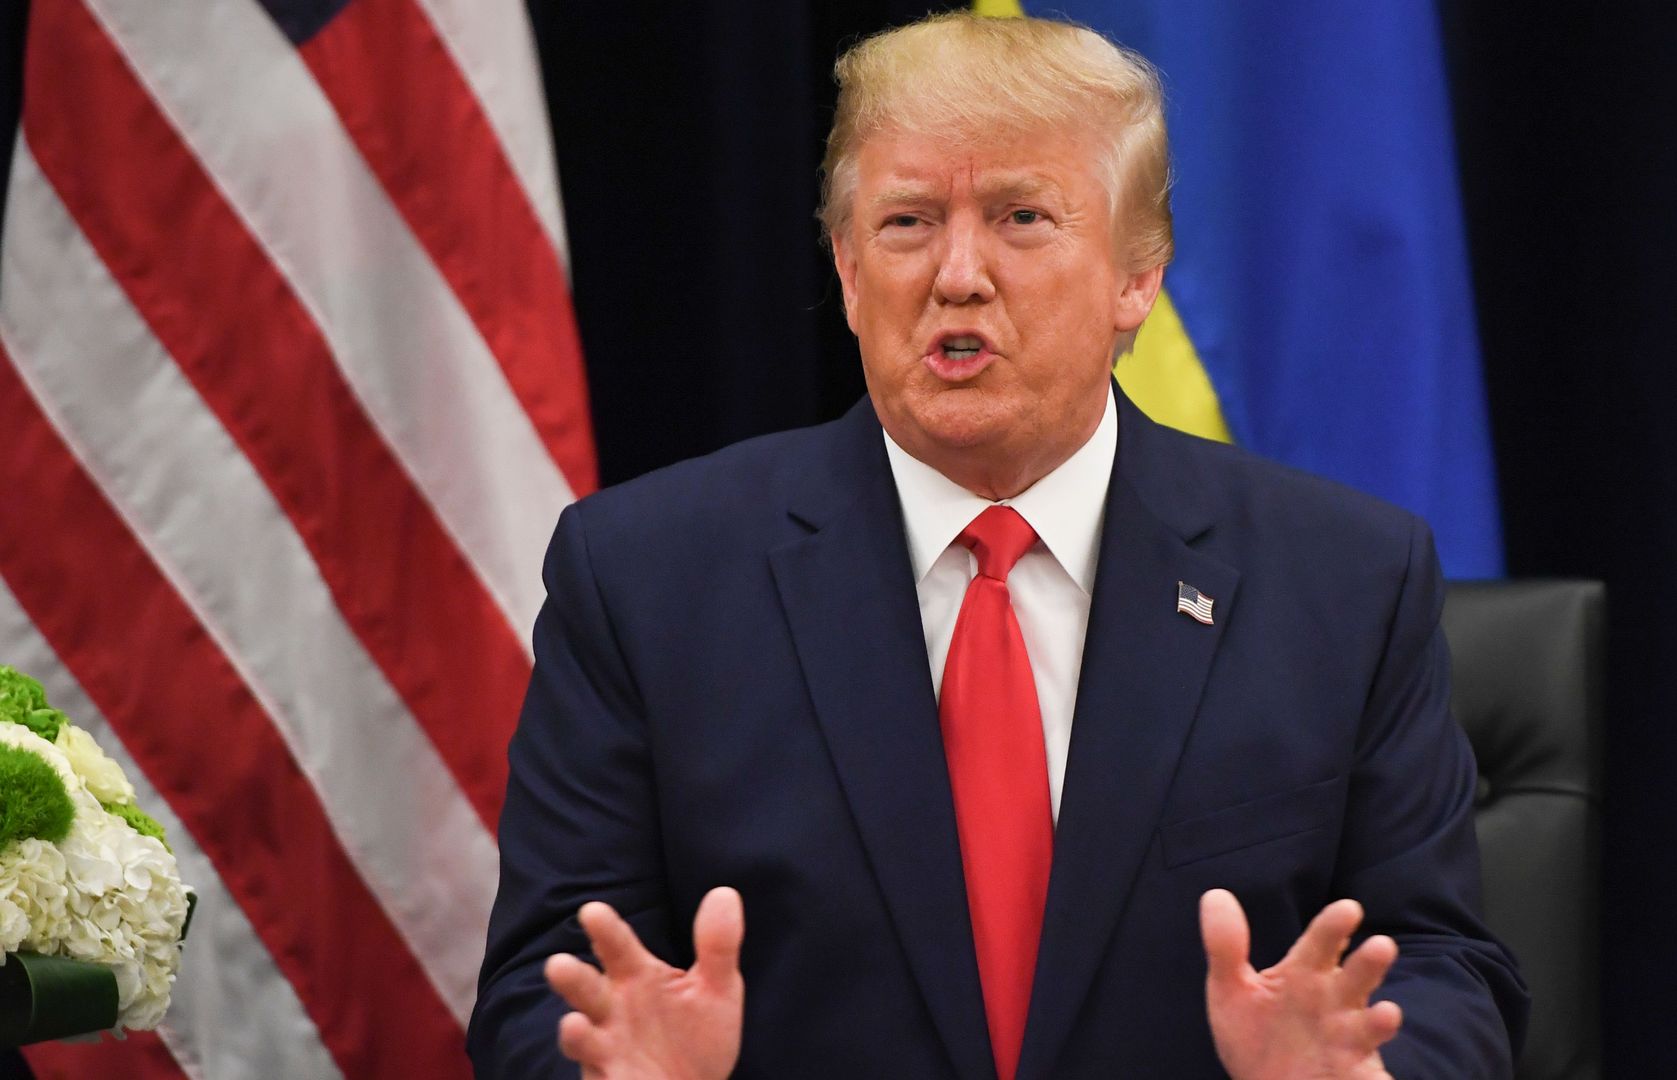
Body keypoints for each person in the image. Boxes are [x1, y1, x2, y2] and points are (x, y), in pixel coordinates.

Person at [470, 13, 1526, 1079]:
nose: (958, 275)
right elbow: (540, 988)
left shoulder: (1345, 581)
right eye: (907, 223)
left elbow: (1445, 967)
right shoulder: (646, 579)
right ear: (845, 269)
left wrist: (1365, 1074)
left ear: (1137, 277)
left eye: (1022, 217)